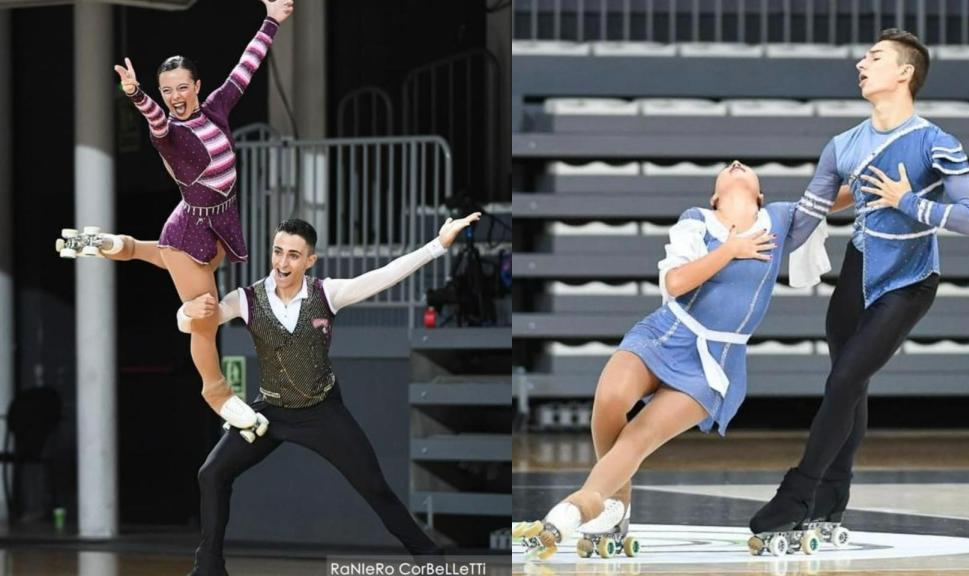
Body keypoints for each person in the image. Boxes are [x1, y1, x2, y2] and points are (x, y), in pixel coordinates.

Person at [512, 161, 844, 559]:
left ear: (760, 195)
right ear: (714, 196)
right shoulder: (696, 221)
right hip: (664, 332)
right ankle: (614, 503)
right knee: (610, 400)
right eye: (726, 169)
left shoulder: (781, 218)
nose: (736, 164)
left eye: (746, 168)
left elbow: (833, 197)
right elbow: (675, 283)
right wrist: (731, 250)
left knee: (639, 437)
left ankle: (579, 508)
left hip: (714, 362)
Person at [748, 29, 969, 546]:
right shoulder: (842, 145)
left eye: (874, 57)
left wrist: (908, 201)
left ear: (905, 72)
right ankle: (833, 501)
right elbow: (810, 213)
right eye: (861, 56)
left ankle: (798, 493)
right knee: (848, 387)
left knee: (843, 383)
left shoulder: (937, 142)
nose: (861, 63)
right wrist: (743, 241)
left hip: (910, 280)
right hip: (856, 274)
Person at [177, 213, 480, 575]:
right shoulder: (246, 299)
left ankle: (432, 562)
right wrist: (186, 312)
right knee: (211, 474)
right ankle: (209, 567)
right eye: (277, 252)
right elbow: (195, 322)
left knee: (376, 489)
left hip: (322, 411)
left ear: (309, 260)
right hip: (269, 412)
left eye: (292, 255)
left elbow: (382, 277)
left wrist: (436, 246)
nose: (282, 262)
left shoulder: (326, 293)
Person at [61, 0, 294, 437]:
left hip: (211, 224)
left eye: (181, 88)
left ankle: (103, 244)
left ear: (197, 86)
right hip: (190, 233)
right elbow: (155, 121)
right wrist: (135, 94)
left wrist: (271, 21)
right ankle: (218, 393)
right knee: (203, 318)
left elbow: (246, 67)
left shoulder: (217, 109)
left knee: (158, 259)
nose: (174, 98)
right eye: (167, 91)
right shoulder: (171, 134)